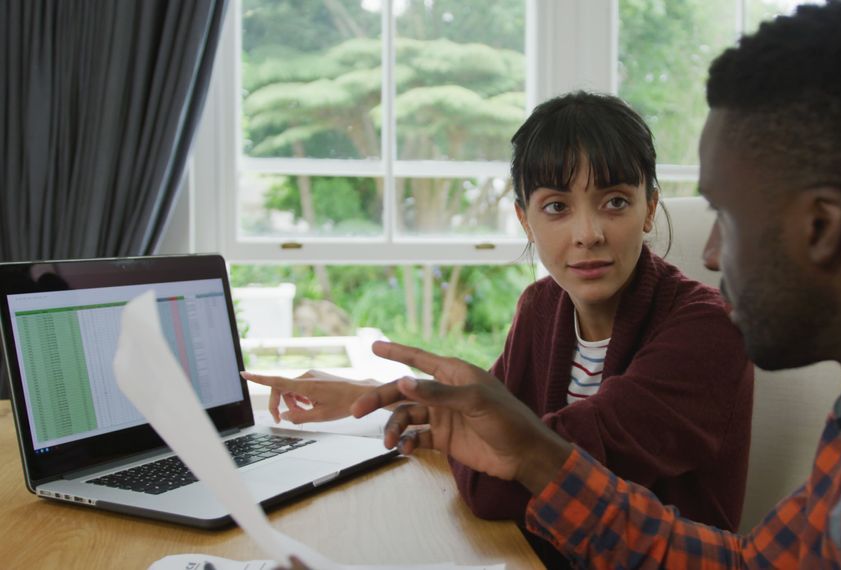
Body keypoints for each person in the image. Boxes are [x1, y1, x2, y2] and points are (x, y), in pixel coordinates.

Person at [341, 0, 841, 567]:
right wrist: (534, 454)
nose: (716, 251)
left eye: (726, 214)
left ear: (820, 226)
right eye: (557, 207)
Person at [247, 92, 754, 565]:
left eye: (615, 201)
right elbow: (489, 420)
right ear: (524, 220)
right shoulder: (541, 306)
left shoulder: (708, 332)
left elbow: (504, 473)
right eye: (556, 207)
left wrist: (487, 447)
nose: (588, 233)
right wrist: (370, 394)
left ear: (650, 207)